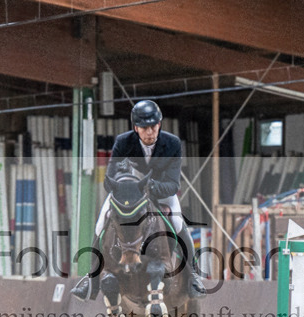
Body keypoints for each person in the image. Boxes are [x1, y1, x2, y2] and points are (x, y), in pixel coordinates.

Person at [71, 99, 206, 300]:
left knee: (178, 223)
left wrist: (150, 187)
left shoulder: (172, 144)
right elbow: (109, 180)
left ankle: (193, 276)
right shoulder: (123, 142)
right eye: (144, 128)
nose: (150, 132)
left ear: (159, 124)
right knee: (100, 224)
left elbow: (173, 184)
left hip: (161, 193)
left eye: (153, 127)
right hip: (127, 195)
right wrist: (128, 186)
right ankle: (91, 278)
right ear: (136, 128)